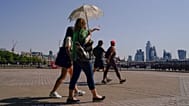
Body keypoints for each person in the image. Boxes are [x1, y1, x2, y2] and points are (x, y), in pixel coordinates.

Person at [66, 18, 105, 104]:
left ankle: (70, 97)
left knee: (74, 77)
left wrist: (93, 30)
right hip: (84, 58)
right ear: (83, 24)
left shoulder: (75, 33)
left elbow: (85, 33)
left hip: (77, 58)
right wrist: (90, 36)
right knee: (89, 76)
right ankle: (95, 95)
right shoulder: (83, 32)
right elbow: (84, 41)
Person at [49, 26, 85, 98]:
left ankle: (76, 91)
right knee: (63, 76)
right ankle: (53, 92)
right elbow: (68, 49)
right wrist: (71, 57)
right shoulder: (69, 38)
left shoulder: (69, 38)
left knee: (72, 76)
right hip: (67, 60)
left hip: (67, 59)